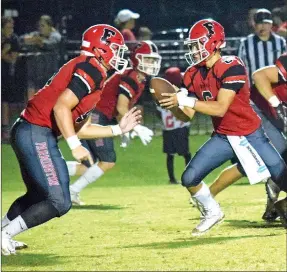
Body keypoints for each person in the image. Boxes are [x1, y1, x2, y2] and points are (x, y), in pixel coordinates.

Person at [1, 24, 142, 256]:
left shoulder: (92, 73)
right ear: (101, 49)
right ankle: (4, 235)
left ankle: (4, 230)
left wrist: (117, 129)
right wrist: (75, 147)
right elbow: (61, 107)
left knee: (37, 196)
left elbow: (82, 128)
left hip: (30, 130)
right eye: (115, 49)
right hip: (36, 131)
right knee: (59, 201)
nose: (119, 55)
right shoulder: (92, 68)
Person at [159, 19, 287, 236]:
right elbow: (187, 116)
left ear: (214, 42)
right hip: (224, 137)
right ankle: (212, 212)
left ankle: (277, 206)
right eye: (192, 45)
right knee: (189, 179)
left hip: (251, 134)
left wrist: (186, 100)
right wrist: (173, 105)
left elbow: (220, 108)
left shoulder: (231, 65)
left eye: (198, 44)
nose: (193, 49)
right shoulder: (192, 73)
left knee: (283, 178)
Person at [68, 40, 161, 205]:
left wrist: (126, 130)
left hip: (92, 113)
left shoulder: (139, 78)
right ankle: (71, 191)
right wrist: (136, 127)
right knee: (107, 160)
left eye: (153, 60)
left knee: (88, 165)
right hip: (95, 115)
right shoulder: (131, 76)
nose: (152, 63)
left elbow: (118, 109)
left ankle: (50, 169)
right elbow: (121, 106)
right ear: (136, 59)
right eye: (148, 59)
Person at [157, 67, 191, 184]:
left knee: (170, 154)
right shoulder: (183, 92)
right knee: (186, 154)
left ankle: (172, 179)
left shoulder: (161, 94)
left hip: (168, 128)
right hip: (181, 127)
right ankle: (189, 176)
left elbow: (158, 111)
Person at [238, 8, 286, 84]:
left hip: (276, 89)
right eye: (260, 23)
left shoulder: (280, 42)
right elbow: (239, 68)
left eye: (266, 23)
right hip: (253, 90)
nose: (263, 26)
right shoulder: (245, 43)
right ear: (255, 25)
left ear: (271, 24)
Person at [21, 15, 62, 100]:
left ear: (50, 26)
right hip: (34, 73)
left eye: (43, 26)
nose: (40, 28)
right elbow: (22, 39)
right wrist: (35, 40)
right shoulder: (36, 34)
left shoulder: (56, 36)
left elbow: (48, 44)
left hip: (49, 75)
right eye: (39, 26)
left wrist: (36, 41)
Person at [1, 17, 20, 142]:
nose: (11, 29)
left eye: (12, 26)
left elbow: (13, 59)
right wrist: (4, 52)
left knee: (5, 101)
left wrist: (3, 54)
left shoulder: (14, 39)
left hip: (6, 74)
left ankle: (5, 128)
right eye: (8, 27)